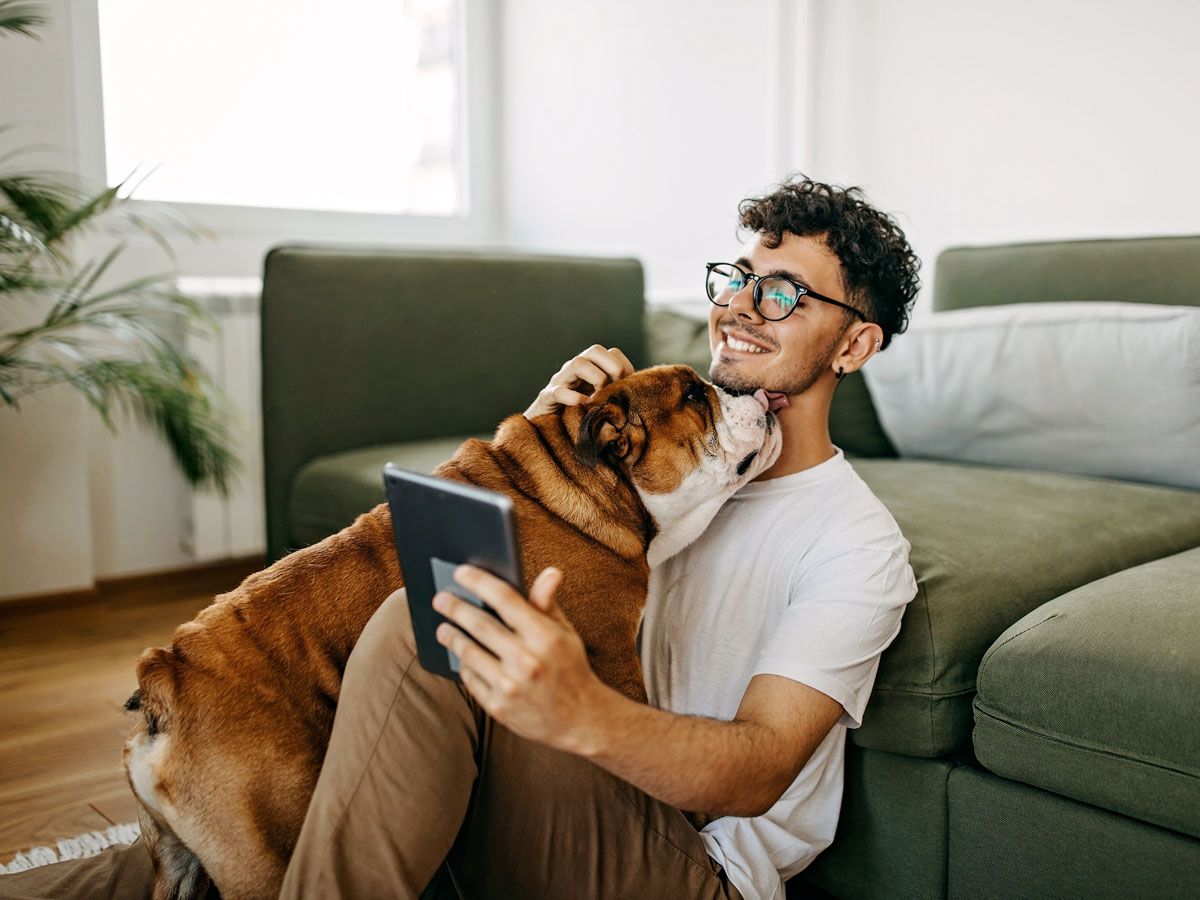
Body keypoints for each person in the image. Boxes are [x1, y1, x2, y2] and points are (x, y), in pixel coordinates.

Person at [0, 173, 921, 900]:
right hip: (527, 799)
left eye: (784, 294)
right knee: (142, 873)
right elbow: (448, 548)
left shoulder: (854, 545)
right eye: (737, 279)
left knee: (425, 627)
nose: (739, 307)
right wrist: (539, 445)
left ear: (854, 346)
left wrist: (581, 713)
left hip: (686, 867)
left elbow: (759, 769)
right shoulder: (665, 477)